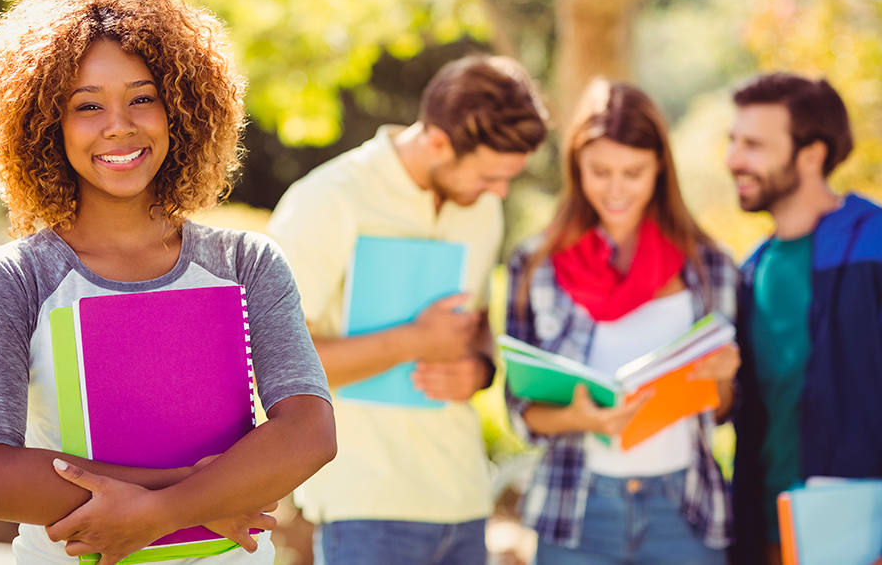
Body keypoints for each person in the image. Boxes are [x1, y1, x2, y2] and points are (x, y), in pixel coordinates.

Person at [0, 0, 337, 565]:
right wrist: (195, 492)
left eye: (142, 97)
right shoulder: (11, 278)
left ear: (181, 109)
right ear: (43, 123)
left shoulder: (246, 265)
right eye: (87, 105)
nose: (119, 125)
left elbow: (309, 433)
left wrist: (157, 513)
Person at [266, 54, 548, 565]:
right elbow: (272, 362)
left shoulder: (480, 207)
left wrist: (479, 367)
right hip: (366, 506)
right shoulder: (329, 200)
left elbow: (477, 323)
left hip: (463, 498)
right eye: (489, 176)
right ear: (439, 141)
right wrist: (413, 341)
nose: (500, 193)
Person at [504, 79, 740, 565]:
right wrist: (581, 419)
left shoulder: (708, 265)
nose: (615, 190)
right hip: (578, 512)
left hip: (683, 508)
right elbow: (520, 409)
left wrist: (724, 378)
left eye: (633, 172)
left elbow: (723, 412)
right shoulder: (535, 264)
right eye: (599, 171)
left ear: (660, 168)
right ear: (576, 168)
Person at [726, 72, 882, 565]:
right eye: (733, 141)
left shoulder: (874, 246)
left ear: (812, 154)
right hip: (767, 536)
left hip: (860, 537)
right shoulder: (748, 273)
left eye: (753, 145)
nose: (733, 160)